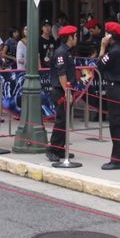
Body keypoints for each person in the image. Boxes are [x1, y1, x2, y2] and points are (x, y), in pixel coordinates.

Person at [96, 22, 120, 169]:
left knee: (116, 125)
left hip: (115, 88)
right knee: (117, 124)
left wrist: (102, 48)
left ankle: (117, 160)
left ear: (110, 36)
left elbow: (99, 66)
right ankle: (116, 158)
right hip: (119, 88)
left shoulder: (114, 52)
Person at [47, 24, 78, 162]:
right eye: (75, 36)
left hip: (65, 90)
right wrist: (67, 92)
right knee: (60, 121)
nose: (76, 38)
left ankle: (60, 149)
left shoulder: (67, 51)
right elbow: (61, 74)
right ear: (70, 37)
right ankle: (52, 149)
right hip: (61, 91)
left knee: (64, 121)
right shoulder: (61, 52)